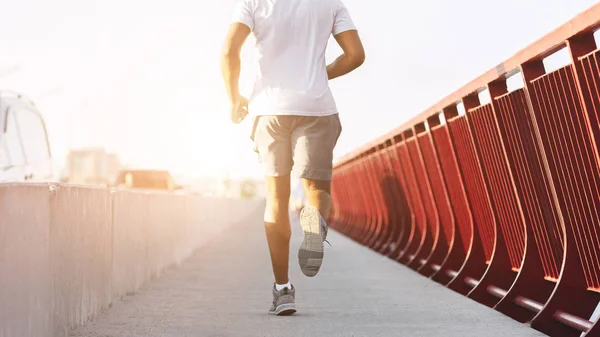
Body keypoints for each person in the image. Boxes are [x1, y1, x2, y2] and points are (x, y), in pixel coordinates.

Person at [220, 0, 365, 316]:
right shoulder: (331, 4)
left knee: (276, 198)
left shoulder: (253, 2)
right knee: (317, 192)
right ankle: (315, 225)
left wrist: (234, 99)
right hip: (316, 106)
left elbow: (230, 51)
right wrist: (318, 74)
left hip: (269, 109)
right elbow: (355, 55)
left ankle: (283, 290)